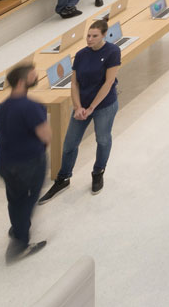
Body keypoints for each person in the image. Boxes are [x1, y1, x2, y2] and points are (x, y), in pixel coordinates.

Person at [39, 18, 123, 203]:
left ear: (103, 35)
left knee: (102, 139)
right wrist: (78, 107)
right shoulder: (81, 54)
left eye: (94, 36)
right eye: (88, 35)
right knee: (69, 144)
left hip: (104, 105)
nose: (90, 39)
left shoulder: (112, 52)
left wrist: (92, 107)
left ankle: (98, 172)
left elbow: (109, 83)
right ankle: (63, 178)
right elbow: (74, 83)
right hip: (82, 107)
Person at [0, 61, 50, 260]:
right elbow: (46, 136)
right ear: (22, 82)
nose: (37, 77)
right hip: (28, 162)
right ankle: (19, 244)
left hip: (4, 162)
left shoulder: (1, 108)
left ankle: (17, 227)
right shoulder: (32, 107)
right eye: (33, 75)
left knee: (14, 197)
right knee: (28, 200)